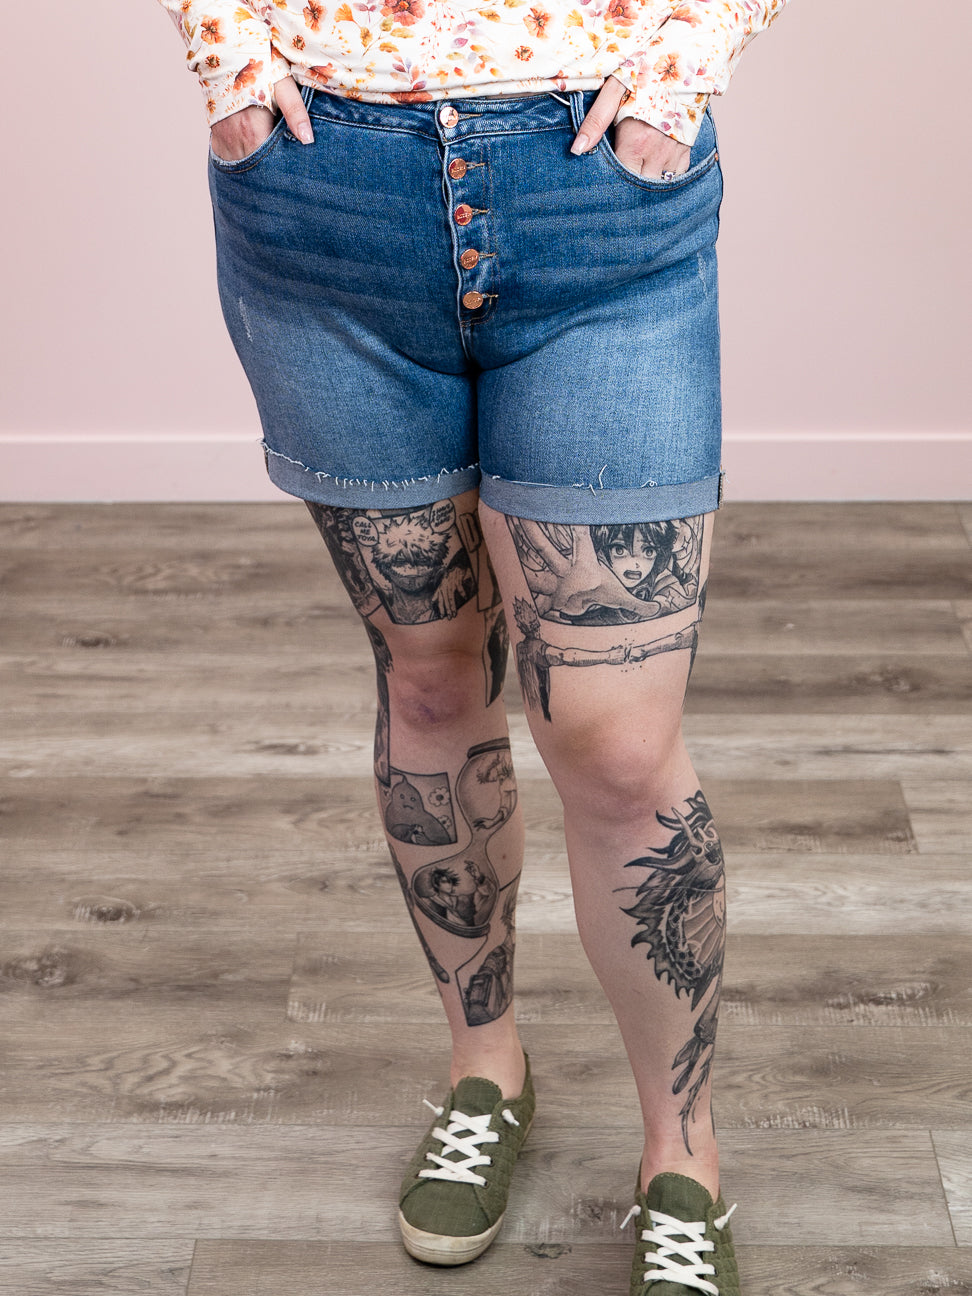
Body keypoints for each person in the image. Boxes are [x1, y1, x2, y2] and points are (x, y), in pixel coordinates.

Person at [156, 1, 790, 1289]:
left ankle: (684, 1153)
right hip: (323, 193)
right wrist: (227, 53)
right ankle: (485, 1071)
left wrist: (684, 62)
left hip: (595, 193)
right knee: (433, 684)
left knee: (620, 752)